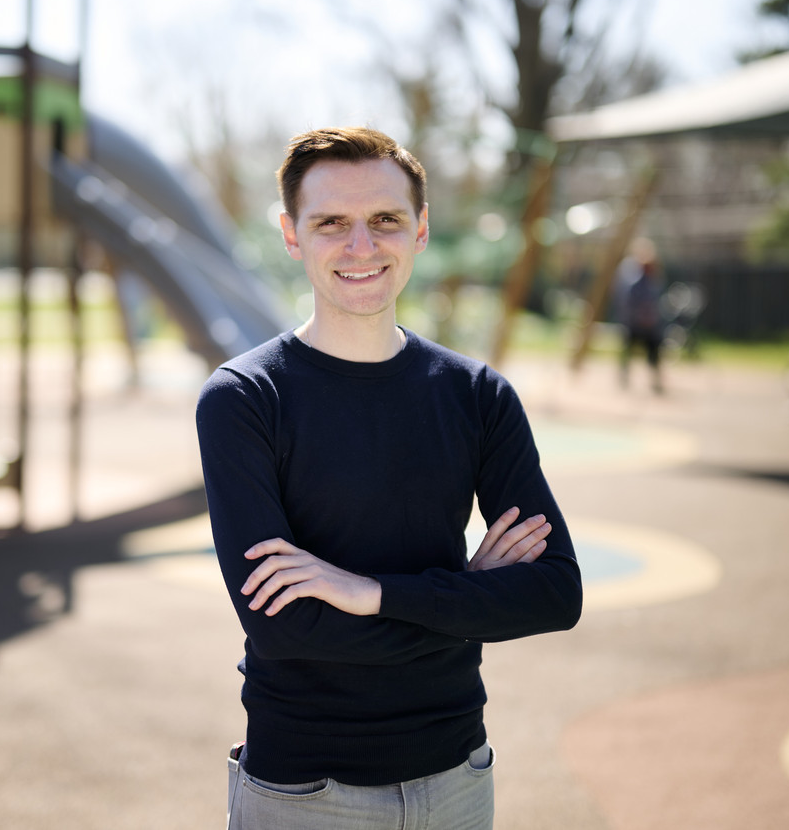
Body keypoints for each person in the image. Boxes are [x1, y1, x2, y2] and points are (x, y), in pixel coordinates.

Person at [196, 127, 582, 830]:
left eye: (385, 220)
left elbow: (554, 593)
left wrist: (365, 592)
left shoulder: (477, 395)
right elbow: (283, 629)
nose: (361, 246)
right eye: (331, 223)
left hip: (456, 778)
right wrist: (469, 600)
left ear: (421, 230)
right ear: (291, 235)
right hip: (304, 789)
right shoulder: (244, 399)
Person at [614, 237, 666, 393]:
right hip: (635, 323)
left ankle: (655, 379)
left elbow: (656, 301)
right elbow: (629, 300)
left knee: (653, 348)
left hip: (649, 324)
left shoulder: (654, 279)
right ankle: (624, 376)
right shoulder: (633, 277)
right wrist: (639, 316)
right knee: (628, 347)